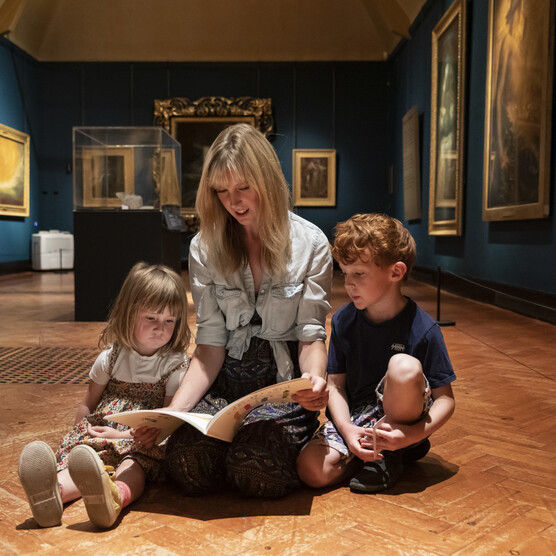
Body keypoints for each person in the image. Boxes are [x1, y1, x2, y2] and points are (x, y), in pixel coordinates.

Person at [138, 123, 332, 498]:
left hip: (281, 390)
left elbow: (311, 335)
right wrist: (171, 417)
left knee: (255, 471)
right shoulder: (204, 247)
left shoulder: (311, 243)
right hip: (225, 388)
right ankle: (236, 447)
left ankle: (256, 447)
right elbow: (209, 346)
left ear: (268, 180)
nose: (234, 201)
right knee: (186, 464)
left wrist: (314, 382)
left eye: (244, 187)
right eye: (222, 191)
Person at [18, 262, 191, 528]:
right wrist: (79, 433)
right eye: (151, 318)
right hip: (102, 431)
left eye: (170, 321)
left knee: (135, 464)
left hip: (143, 439)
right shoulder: (110, 358)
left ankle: (115, 498)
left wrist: (124, 436)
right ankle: (54, 493)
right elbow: (88, 403)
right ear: (129, 313)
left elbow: (165, 420)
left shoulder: (175, 364)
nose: (161, 328)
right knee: (84, 457)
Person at [297, 213, 456, 493]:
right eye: (344, 273)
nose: (348, 284)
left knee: (403, 366)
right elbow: (335, 385)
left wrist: (410, 434)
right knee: (312, 470)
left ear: (395, 272)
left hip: (404, 421)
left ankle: (395, 451)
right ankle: (367, 452)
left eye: (359, 273)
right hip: (357, 417)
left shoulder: (424, 328)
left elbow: (445, 400)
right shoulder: (344, 320)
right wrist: (346, 429)